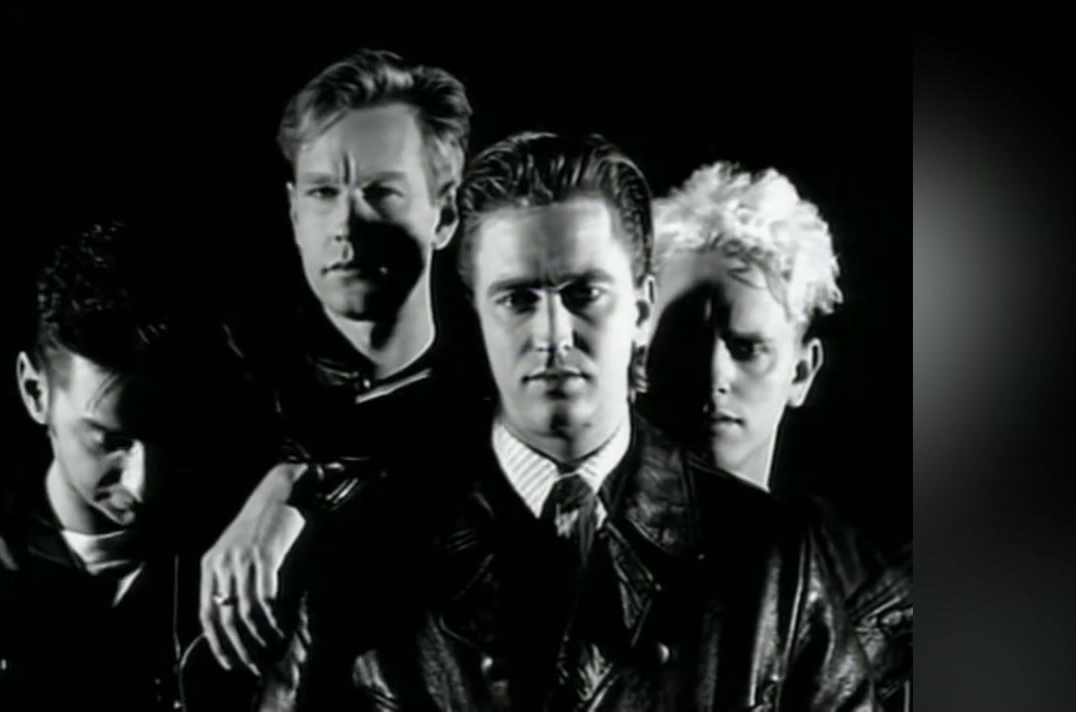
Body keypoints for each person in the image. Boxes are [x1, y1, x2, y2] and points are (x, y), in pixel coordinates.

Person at [258, 132, 877, 710]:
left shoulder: (771, 559)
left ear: (641, 309)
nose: (553, 335)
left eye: (584, 294)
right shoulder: (366, 554)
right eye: (518, 298)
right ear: (476, 316)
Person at [194, 48, 476, 677]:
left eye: (382, 191)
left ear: (446, 213)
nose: (346, 223)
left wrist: (305, 485)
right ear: (294, 213)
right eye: (324, 192)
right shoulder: (226, 399)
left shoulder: (502, 400)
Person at [646, 162, 912, 707]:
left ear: (801, 371)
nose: (714, 375)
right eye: (685, 339)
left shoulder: (877, 592)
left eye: (747, 348)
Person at [0, 220, 248, 710]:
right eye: (112, 440)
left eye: (170, 434)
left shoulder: (246, 550)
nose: (145, 483)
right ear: (35, 392)